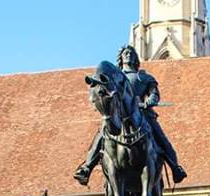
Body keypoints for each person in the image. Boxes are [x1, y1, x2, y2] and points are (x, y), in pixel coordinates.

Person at [74, 45, 188, 186]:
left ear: (135, 57)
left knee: (161, 138)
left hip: (144, 115)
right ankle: (87, 168)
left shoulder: (144, 77)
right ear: (121, 58)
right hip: (118, 115)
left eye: (130, 53)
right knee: (100, 135)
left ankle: (175, 167)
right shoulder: (115, 78)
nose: (128, 55)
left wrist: (149, 101)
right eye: (125, 53)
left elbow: (154, 94)